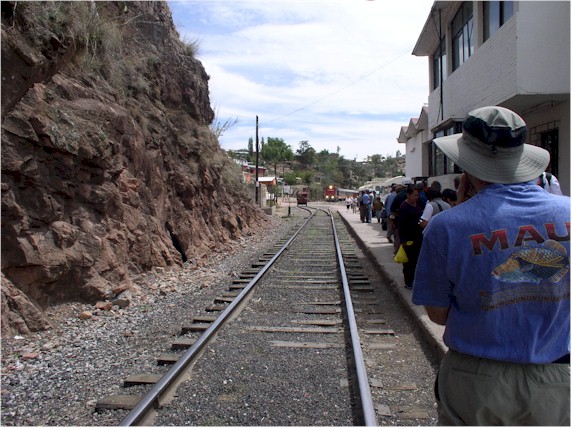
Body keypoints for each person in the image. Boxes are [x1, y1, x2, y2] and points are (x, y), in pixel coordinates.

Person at [412, 106, 570, 426]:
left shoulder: (446, 227)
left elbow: (438, 314)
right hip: (555, 376)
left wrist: (462, 213)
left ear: (467, 165)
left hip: (475, 380)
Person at [396, 184, 423, 289]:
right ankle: (408, 281)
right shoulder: (404, 208)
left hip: (419, 237)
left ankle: (415, 280)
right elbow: (401, 225)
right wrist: (403, 240)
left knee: (417, 260)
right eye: (414, 195)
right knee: (409, 262)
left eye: (417, 195)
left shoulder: (419, 203)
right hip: (408, 238)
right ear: (408, 195)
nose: (416, 197)